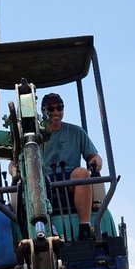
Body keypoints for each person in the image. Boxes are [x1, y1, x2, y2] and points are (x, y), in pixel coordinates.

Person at [40, 92, 103, 237]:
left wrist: (96, 161)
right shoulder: (35, 138)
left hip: (70, 181)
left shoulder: (76, 132)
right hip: (43, 182)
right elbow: (15, 164)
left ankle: (84, 228)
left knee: (82, 173)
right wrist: (14, 172)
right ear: (43, 110)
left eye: (59, 108)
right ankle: (44, 229)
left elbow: (93, 156)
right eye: (51, 109)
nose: (56, 112)